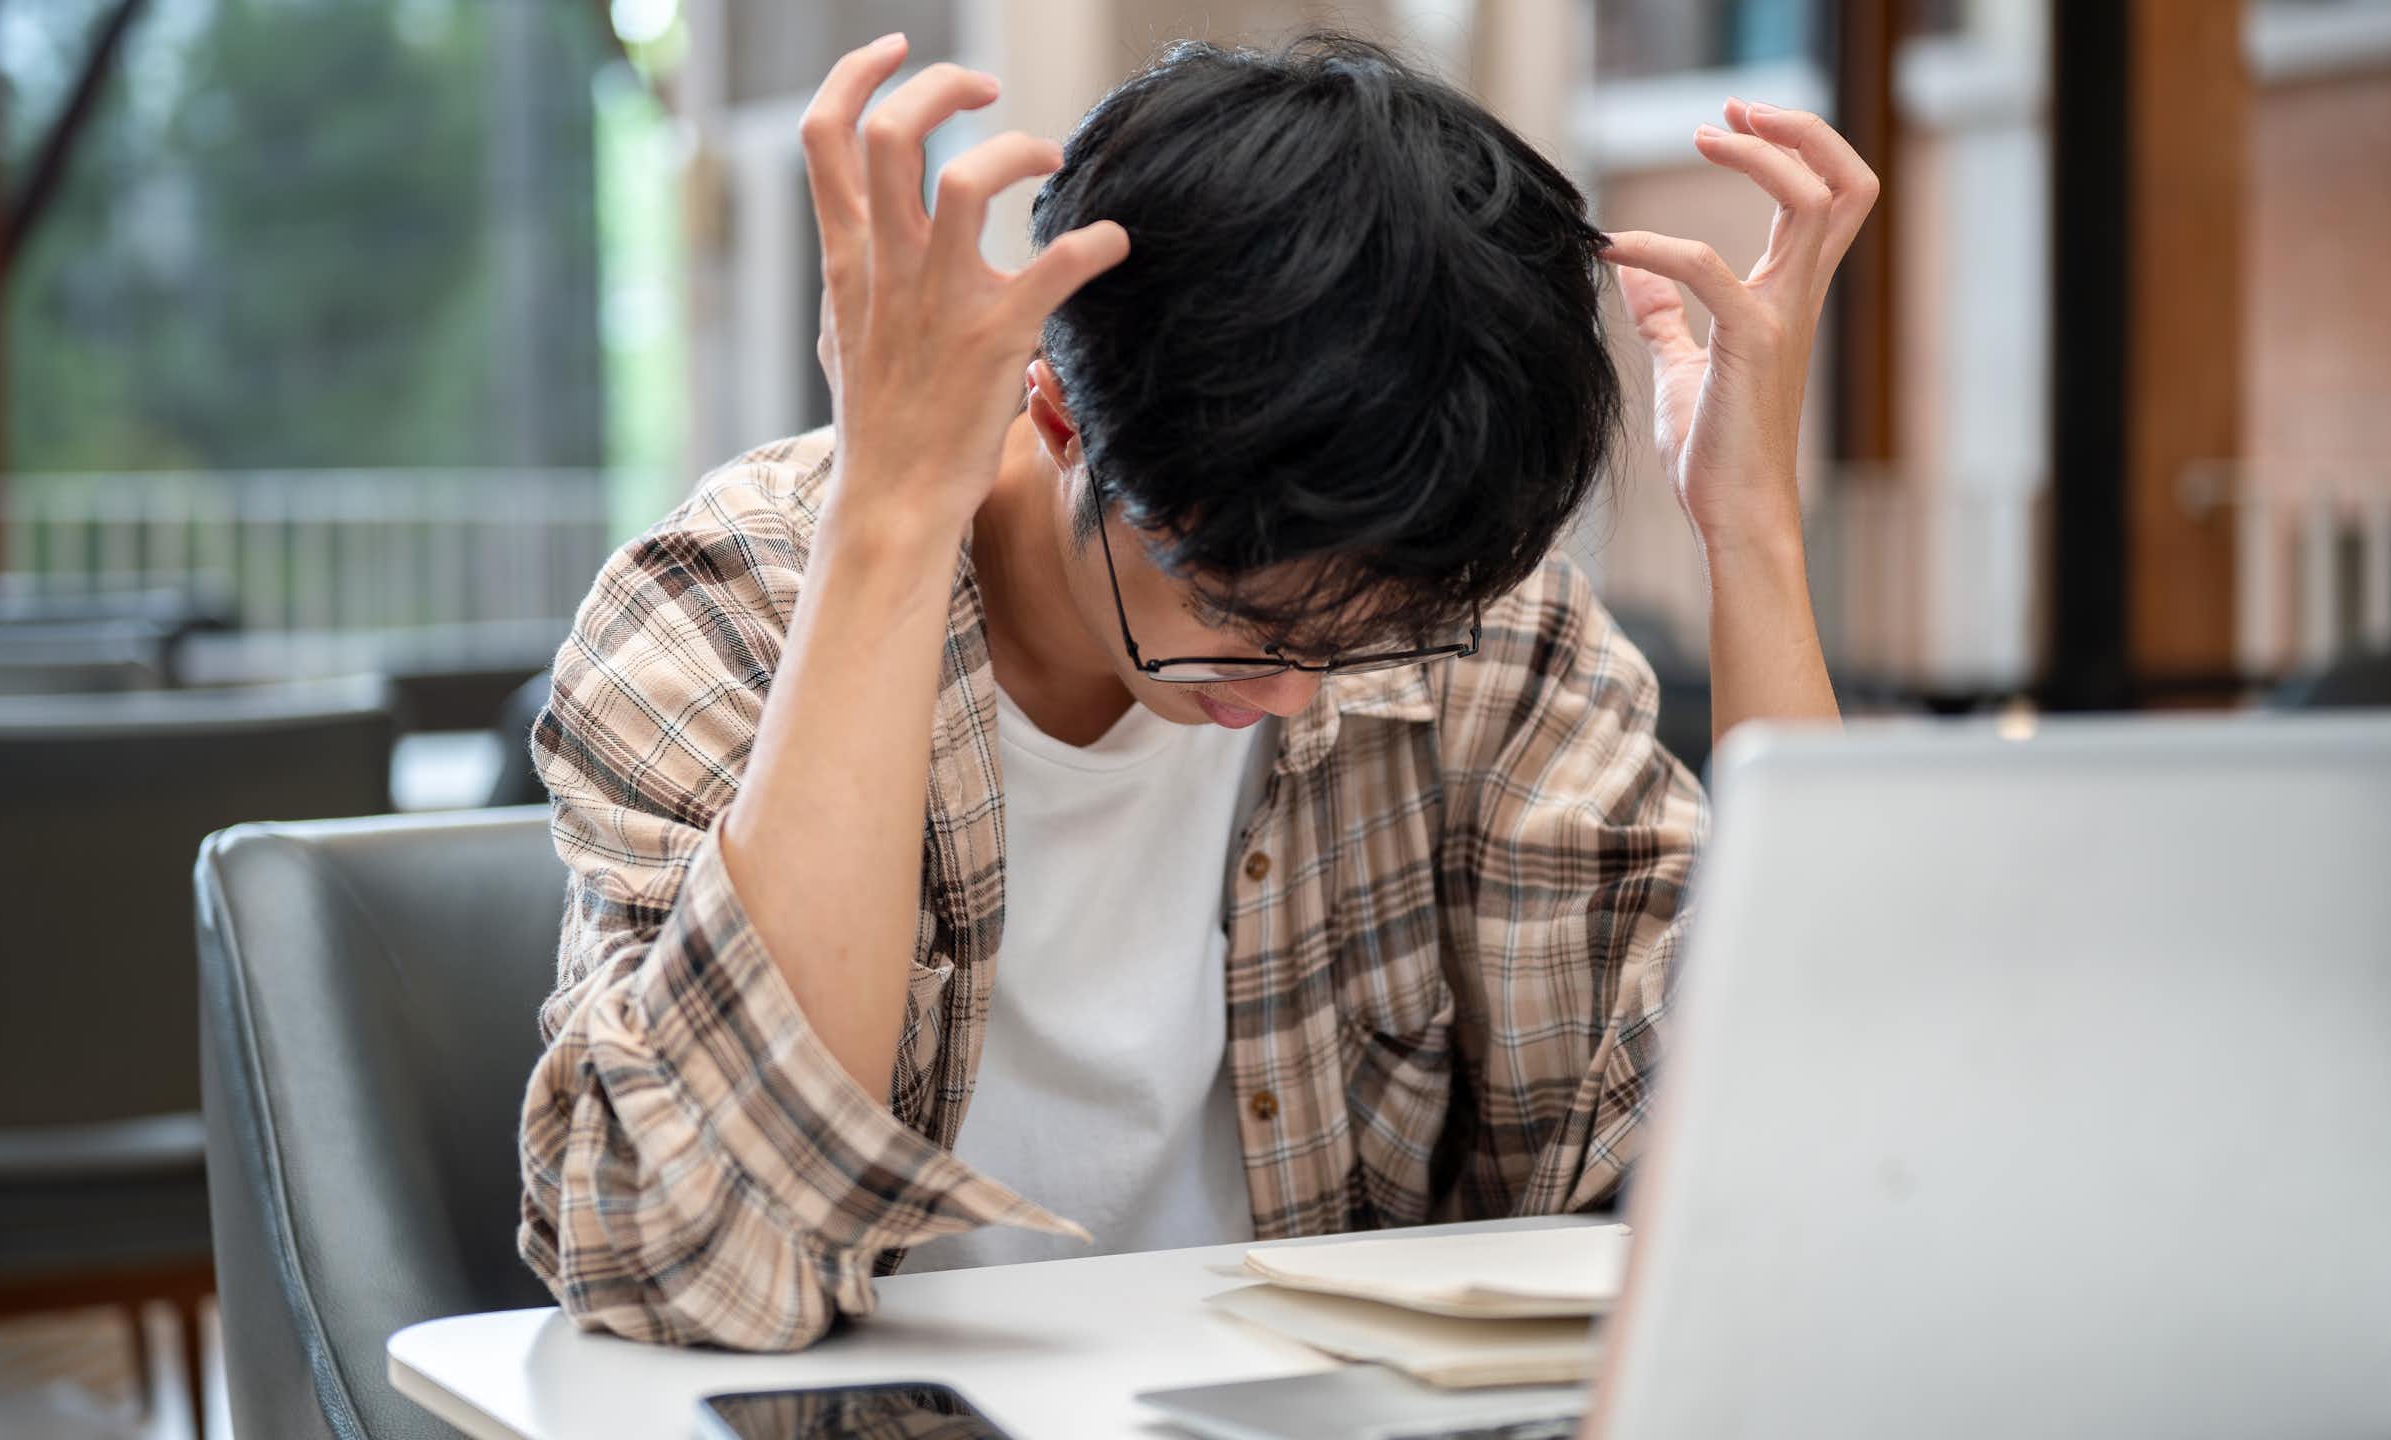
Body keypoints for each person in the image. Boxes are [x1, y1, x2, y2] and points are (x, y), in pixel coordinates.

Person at [518, 29, 1870, 1349]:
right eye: (1239, 622)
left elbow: (1793, 1166)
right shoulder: (732, 610)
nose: (1295, 697)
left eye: (1360, 643)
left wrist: (1750, 532)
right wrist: (887, 516)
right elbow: (708, 1260)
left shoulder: (1457, 623)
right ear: (1058, 414)